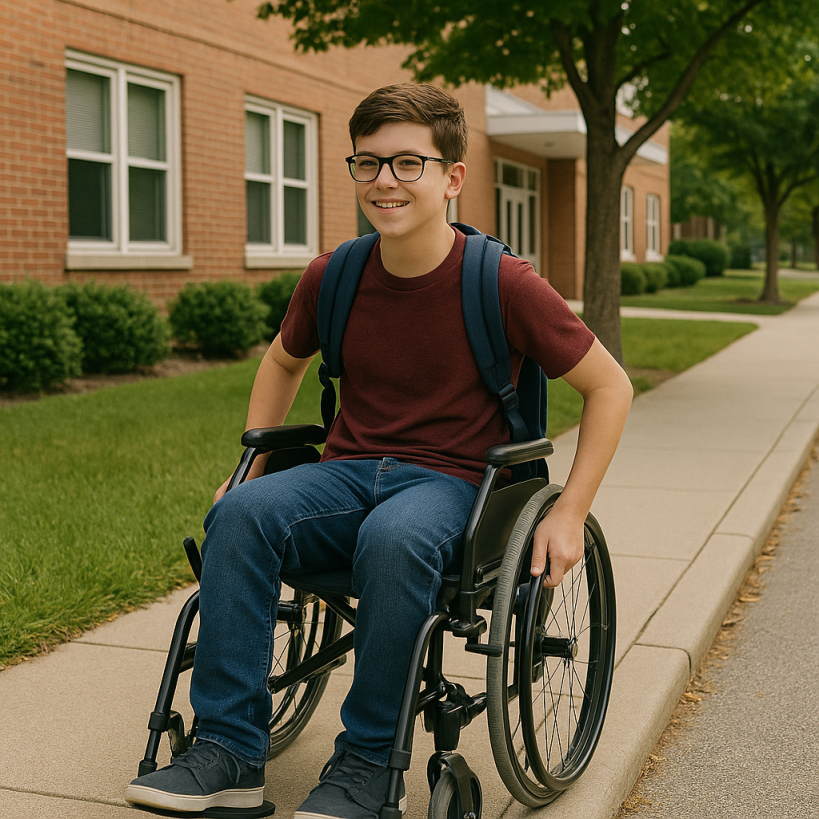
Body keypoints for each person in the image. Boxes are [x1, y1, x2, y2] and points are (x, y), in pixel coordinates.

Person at [124, 83, 633, 819]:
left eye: (406, 163)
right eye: (367, 164)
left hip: (457, 484)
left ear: (451, 177)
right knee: (240, 514)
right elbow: (280, 362)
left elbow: (608, 387)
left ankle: (367, 766)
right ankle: (230, 750)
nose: (384, 181)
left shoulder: (501, 281)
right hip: (350, 469)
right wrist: (257, 463)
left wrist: (570, 511)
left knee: (392, 539)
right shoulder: (336, 274)